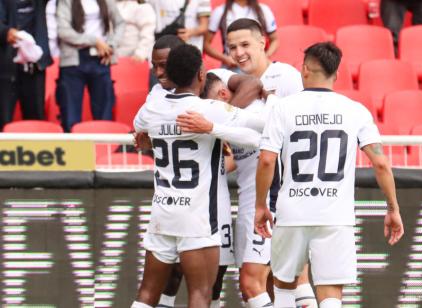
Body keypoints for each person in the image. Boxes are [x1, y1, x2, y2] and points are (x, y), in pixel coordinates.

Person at [254, 42, 405, 308]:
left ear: (304, 70)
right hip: (335, 215)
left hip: (292, 213)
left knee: (285, 287)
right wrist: (393, 207)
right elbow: (381, 164)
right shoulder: (355, 110)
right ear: (337, 75)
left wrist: (260, 205)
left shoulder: (283, 108)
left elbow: (267, 160)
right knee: (331, 293)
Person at [180, 18, 317, 308]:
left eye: (245, 45)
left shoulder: (286, 77)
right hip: (249, 195)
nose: (239, 52)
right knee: (267, 283)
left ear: (262, 42)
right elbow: (236, 150)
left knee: (263, 281)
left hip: (276, 194)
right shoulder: (224, 78)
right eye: (232, 47)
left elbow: (290, 134)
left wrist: (221, 125)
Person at [131, 42, 265, 308]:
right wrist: (213, 128)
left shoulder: (152, 109)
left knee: (147, 294)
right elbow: (258, 134)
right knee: (200, 295)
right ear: (202, 75)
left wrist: (153, 141)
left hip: (163, 212)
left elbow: (138, 130)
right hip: (197, 218)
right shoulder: (207, 110)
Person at [55, 0, 124, 132]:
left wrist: (111, 44)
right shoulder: (66, 1)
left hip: (101, 58)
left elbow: (120, 23)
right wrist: (94, 41)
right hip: (73, 60)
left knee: (104, 112)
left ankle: (105, 149)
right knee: (70, 114)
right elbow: (63, 31)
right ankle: (73, 150)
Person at [0, 0, 52, 130]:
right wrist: (6, 32)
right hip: (6, 66)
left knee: (35, 119)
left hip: (34, 67)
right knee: (3, 119)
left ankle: (36, 150)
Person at [204, 0, 278, 69]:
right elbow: (205, 44)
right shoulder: (220, 11)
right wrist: (225, 59)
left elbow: (275, 39)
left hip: (258, 65)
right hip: (234, 67)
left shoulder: (263, 10)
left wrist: (265, 56)